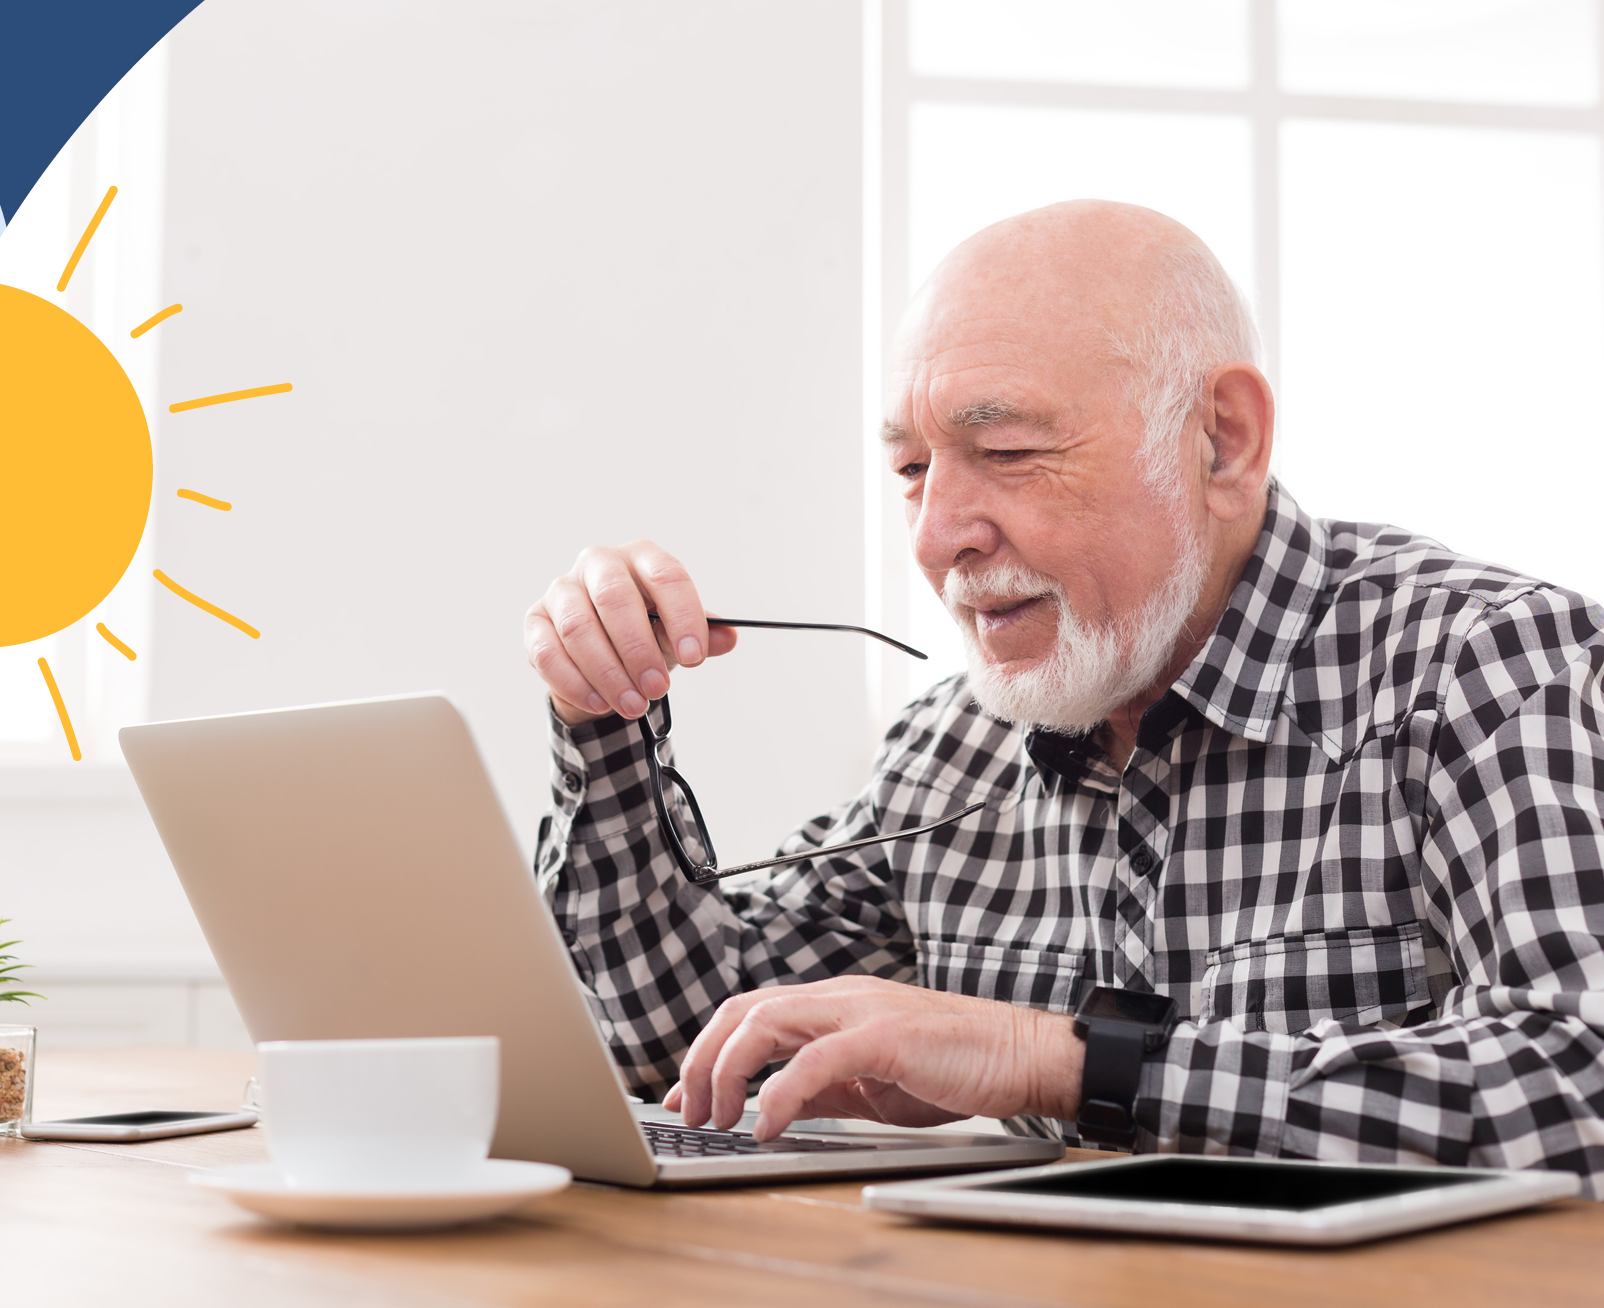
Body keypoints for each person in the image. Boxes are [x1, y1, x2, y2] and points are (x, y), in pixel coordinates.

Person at [522, 199, 1604, 1190]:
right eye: (911, 470)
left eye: (1007, 450)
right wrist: (604, 721)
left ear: (1222, 441)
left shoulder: (1486, 666)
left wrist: (1051, 1059)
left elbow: (1577, 1083)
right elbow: (681, 1045)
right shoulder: (950, 748)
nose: (936, 538)